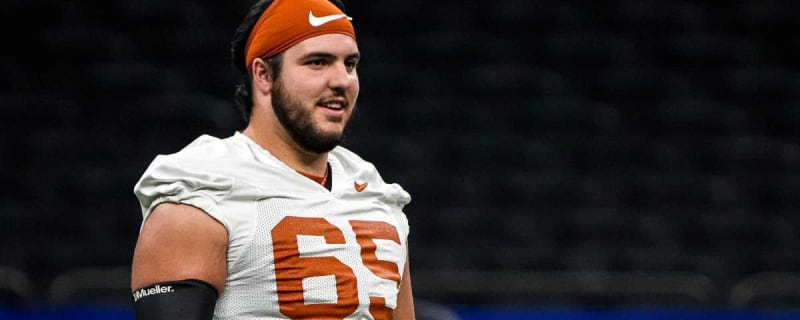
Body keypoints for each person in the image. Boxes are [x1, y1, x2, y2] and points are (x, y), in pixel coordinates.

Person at [129, 0, 415, 318]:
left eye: (350, 64)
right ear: (264, 75)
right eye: (318, 62)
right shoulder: (203, 188)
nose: (342, 80)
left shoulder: (377, 194)